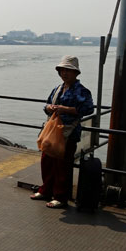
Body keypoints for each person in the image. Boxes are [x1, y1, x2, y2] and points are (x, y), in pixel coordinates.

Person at [30, 55, 94, 208]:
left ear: (76, 73)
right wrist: (49, 108)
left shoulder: (82, 91)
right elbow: (46, 106)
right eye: (62, 70)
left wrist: (67, 109)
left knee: (62, 165)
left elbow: (88, 109)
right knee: (47, 161)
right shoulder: (57, 89)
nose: (65, 73)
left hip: (68, 133)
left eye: (68, 71)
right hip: (52, 131)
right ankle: (46, 190)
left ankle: (60, 196)